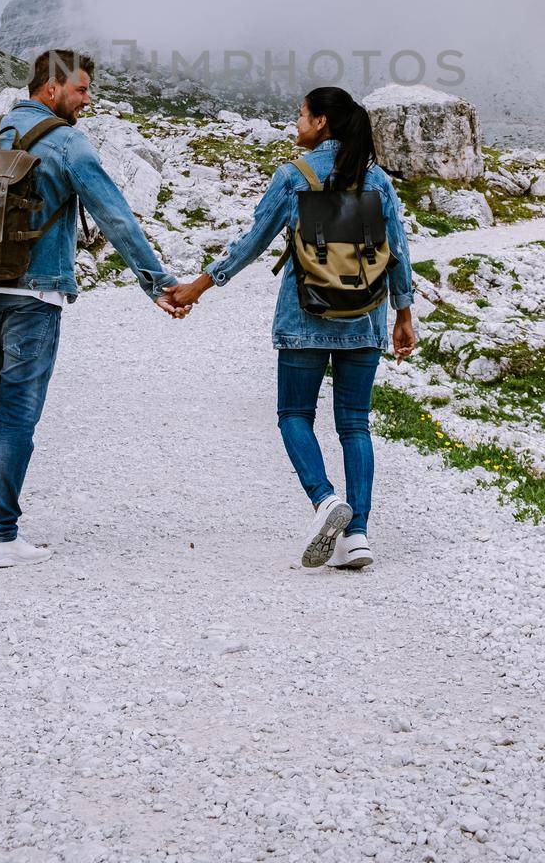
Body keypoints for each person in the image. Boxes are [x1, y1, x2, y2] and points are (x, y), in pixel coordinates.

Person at [0, 48, 187, 569]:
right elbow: (116, 219)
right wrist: (158, 284)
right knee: (18, 408)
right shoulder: (67, 143)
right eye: (81, 90)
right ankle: (0, 536)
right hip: (35, 295)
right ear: (51, 89)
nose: (87, 99)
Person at [166, 86, 416, 571]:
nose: (295, 123)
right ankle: (358, 535)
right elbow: (399, 252)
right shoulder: (378, 180)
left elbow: (253, 241)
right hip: (365, 319)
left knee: (294, 414)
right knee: (355, 424)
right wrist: (404, 314)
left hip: (305, 317)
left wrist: (200, 285)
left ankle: (325, 502)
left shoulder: (293, 176)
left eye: (301, 115)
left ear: (322, 122)